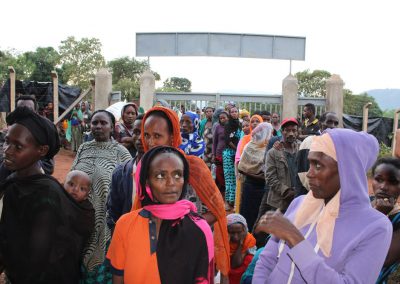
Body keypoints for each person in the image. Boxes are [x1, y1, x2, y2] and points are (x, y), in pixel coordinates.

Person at [253, 128, 393, 284]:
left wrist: (295, 238)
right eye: (310, 163)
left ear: (347, 170)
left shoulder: (375, 227)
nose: (309, 174)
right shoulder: (300, 203)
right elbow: (267, 259)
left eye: (318, 166)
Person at [133, 106, 230, 279]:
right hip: (151, 247)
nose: (150, 142)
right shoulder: (143, 168)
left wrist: (184, 228)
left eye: (157, 136)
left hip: (189, 246)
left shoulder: (193, 167)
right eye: (146, 135)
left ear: (172, 137)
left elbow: (217, 210)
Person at [0, 107, 92, 283]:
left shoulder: (45, 195)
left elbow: (37, 261)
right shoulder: (14, 185)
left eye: (18, 146)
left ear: (41, 150)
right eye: (7, 142)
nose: (7, 151)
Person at [107, 146, 214, 284]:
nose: (171, 183)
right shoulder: (125, 225)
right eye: (160, 176)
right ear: (147, 182)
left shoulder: (199, 228)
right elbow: (118, 279)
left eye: (177, 175)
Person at [71, 110, 131, 283]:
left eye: (103, 123)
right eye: (94, 123)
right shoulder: (83, 148)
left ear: (112, 127)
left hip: (106, 222)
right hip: (80, 218)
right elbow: (72, 176)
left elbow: (126, 190)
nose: (98, 126)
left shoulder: (121, 152)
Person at [107, 114, 145, 232]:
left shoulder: (166, 175)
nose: (140, 137)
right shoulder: (120, 172)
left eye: (146, 133)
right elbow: (113, 210)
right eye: (136, 132)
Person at [238, 123, 273, 231]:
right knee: (249, 214)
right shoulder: (250, 146)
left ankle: (257, 240)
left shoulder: (270, 148)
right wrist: (256, 176)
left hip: (264, 188)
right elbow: (241, 167)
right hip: (251, 186)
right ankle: (247, 239)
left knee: (261, 215)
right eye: (269, 133)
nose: (271, 135)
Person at [296, 112, 340, 196]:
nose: (333, 126)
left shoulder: (333, 144)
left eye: (336, 123)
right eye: (329, 122)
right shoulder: (310, 141)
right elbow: (305, 175)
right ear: (320, 124)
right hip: (307, 196)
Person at [371, 158, 400, 283]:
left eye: (393, 182)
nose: (383, 187)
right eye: (379, 179)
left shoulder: (398, 219)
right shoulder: (361, 203)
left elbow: (382, 259)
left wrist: (379, 215)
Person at [265, 117, 301, 212]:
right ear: (282, 131)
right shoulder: (273, 153)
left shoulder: (302, 149)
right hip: (280, 201)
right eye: (287, 130)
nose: (291, 133)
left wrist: (297, 192)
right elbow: (270, 177)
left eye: (294, 130)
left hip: (299, 200)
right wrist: (286, 191)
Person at [234, 115, 262, 213]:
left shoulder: (265, 139)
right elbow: (238, 156)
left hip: (262, 178)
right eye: (252, 121)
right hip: (246, 176)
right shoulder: (245, 139)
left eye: (257, 121)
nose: (254, 123)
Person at [227, 214, 256, 284]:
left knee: (249, 258)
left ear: (244, 230)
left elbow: (235, 264)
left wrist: (241, 243)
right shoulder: (222, 241)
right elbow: (235, 264)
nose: (236, 237)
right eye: (232, 233)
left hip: (240, 278)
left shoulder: (249, 240)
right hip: (225, 277)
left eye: (239, 232)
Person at [223, 106, 243, 208]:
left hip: (238, 154)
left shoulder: (240, 125)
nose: (234, 113)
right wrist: (237, 149)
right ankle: (228, 201)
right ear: (229, 114)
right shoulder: (227, 125)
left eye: (236, 111)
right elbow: (228, 140)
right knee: (229, 178)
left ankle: (235, 200)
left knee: (236, 178)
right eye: (232, 112)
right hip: (228, 153)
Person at [212, 111, 229, 195]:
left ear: (228, 118)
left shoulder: (231, 127)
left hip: (229, 154)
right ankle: (219, 193)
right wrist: (213, 154)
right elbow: (214, 141)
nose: (222, 119)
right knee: (219, 174)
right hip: (219, 154)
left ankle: (226, 192)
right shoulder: (218, 127)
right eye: (221, 118)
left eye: (224, 118)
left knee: (227, 174)